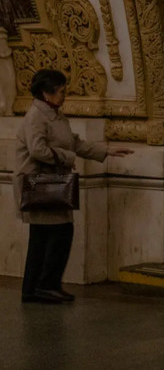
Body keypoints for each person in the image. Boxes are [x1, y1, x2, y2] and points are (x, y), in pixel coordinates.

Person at [16, 69, 132, 303]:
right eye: (61, 91)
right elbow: (38, 150)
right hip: (41, 184)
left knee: (41, 237)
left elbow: (74, 142)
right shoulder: (37, 117)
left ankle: (33, 288)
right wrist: (67, 158)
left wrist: (106, 151)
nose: (64, 95)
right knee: (60, 233)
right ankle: (46, 285)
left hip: (48, 183)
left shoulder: (55, 115)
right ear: (46, 94)